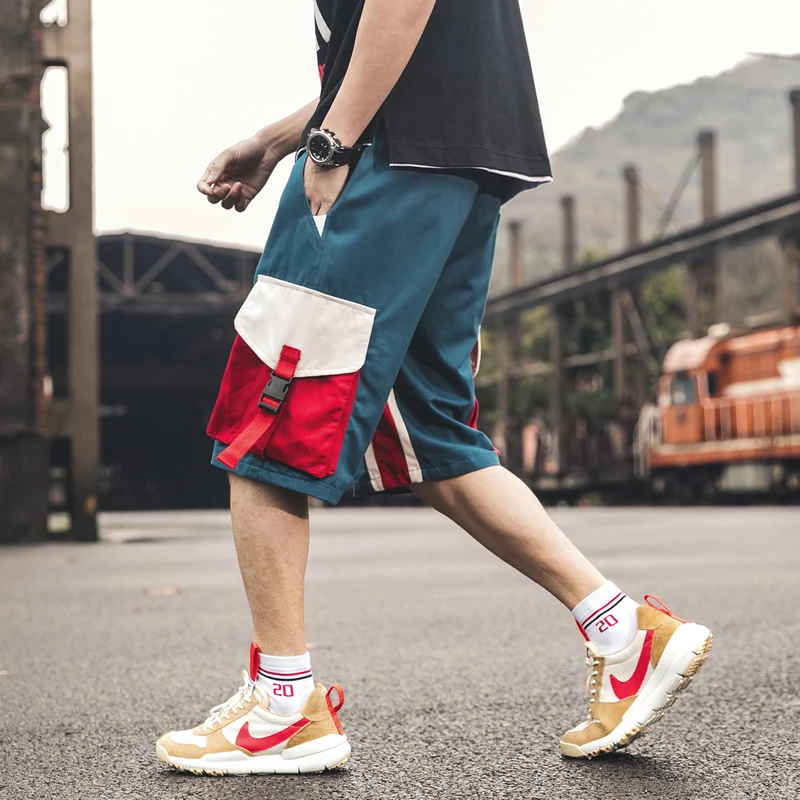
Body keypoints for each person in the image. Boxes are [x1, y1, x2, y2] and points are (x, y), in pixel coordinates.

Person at [155, 0, 712, 775]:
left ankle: (284, 708)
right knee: (427, 433)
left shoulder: (360, 139)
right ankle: (625, 635)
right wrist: (277, 140)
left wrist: (332, 141)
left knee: (269, 416)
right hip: (459, 160)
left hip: (388, 156)